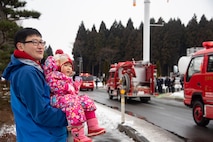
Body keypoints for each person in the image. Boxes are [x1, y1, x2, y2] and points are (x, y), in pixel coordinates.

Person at [2, 28, 68, 142]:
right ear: (20, 46)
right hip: (42, 137)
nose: (40, 46)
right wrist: (72, 115)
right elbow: (41, 113)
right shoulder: (27, 72)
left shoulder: (32, 69)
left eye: (41, 42)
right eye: (34, 42)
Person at [43, 53, 105, 142]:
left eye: (70, 66)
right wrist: (67, 87)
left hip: (67, 99)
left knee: (85, 99)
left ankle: (92, 126)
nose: (69, 68)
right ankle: (78, 135)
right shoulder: (53, 75)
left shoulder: (68, 78)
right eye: (65, 65)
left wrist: (75, 87)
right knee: (73, 104)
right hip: (57, 99)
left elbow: (74, 93)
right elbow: (53, 86)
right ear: (58, 66)